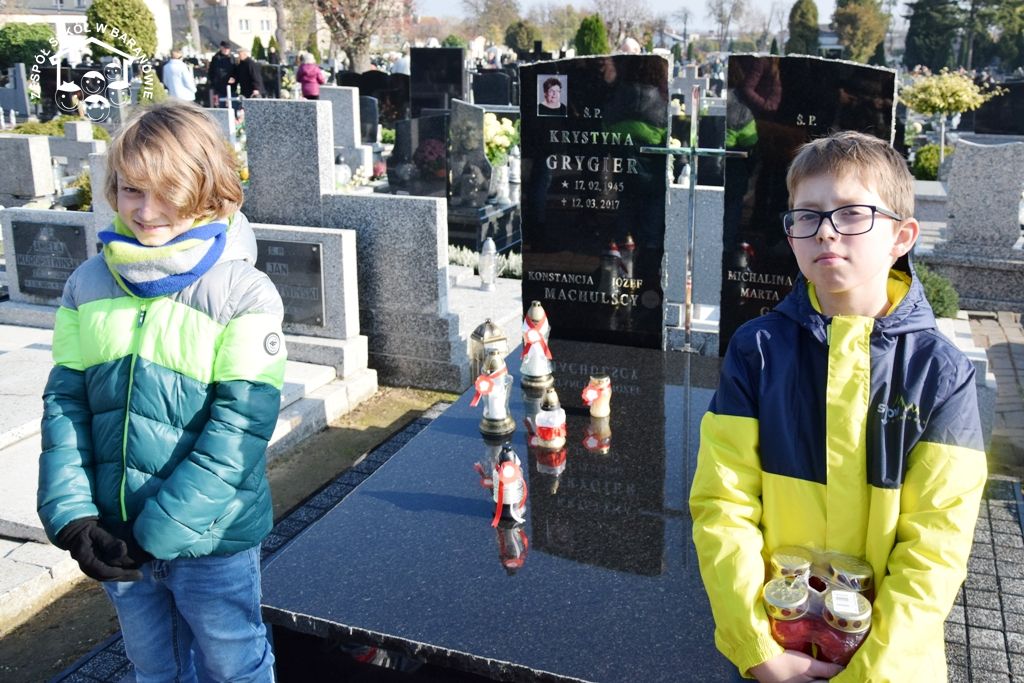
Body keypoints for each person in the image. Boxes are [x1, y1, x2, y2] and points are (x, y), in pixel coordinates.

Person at [689, 130, 986, 682]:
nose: (825, 230)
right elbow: (723, 505)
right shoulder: (757, 351)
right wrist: (755, 645)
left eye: (851, 213)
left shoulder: (940, 374)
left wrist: (869, 673)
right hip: (774, 648)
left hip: (890, 666)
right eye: (808, 215)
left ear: (901, 236)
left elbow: (936, 549)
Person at [37, 100, 286, 682]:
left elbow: (238, 431)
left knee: (234, 664)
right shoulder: (88, 283)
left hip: (212, 537)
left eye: (167, 191)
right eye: (131, 190)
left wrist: (158, 533)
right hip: (116, 533)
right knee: (152, 667)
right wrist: (72, 514)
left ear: (207, 189)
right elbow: (66, 404)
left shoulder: (242, 293)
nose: (146, 211)